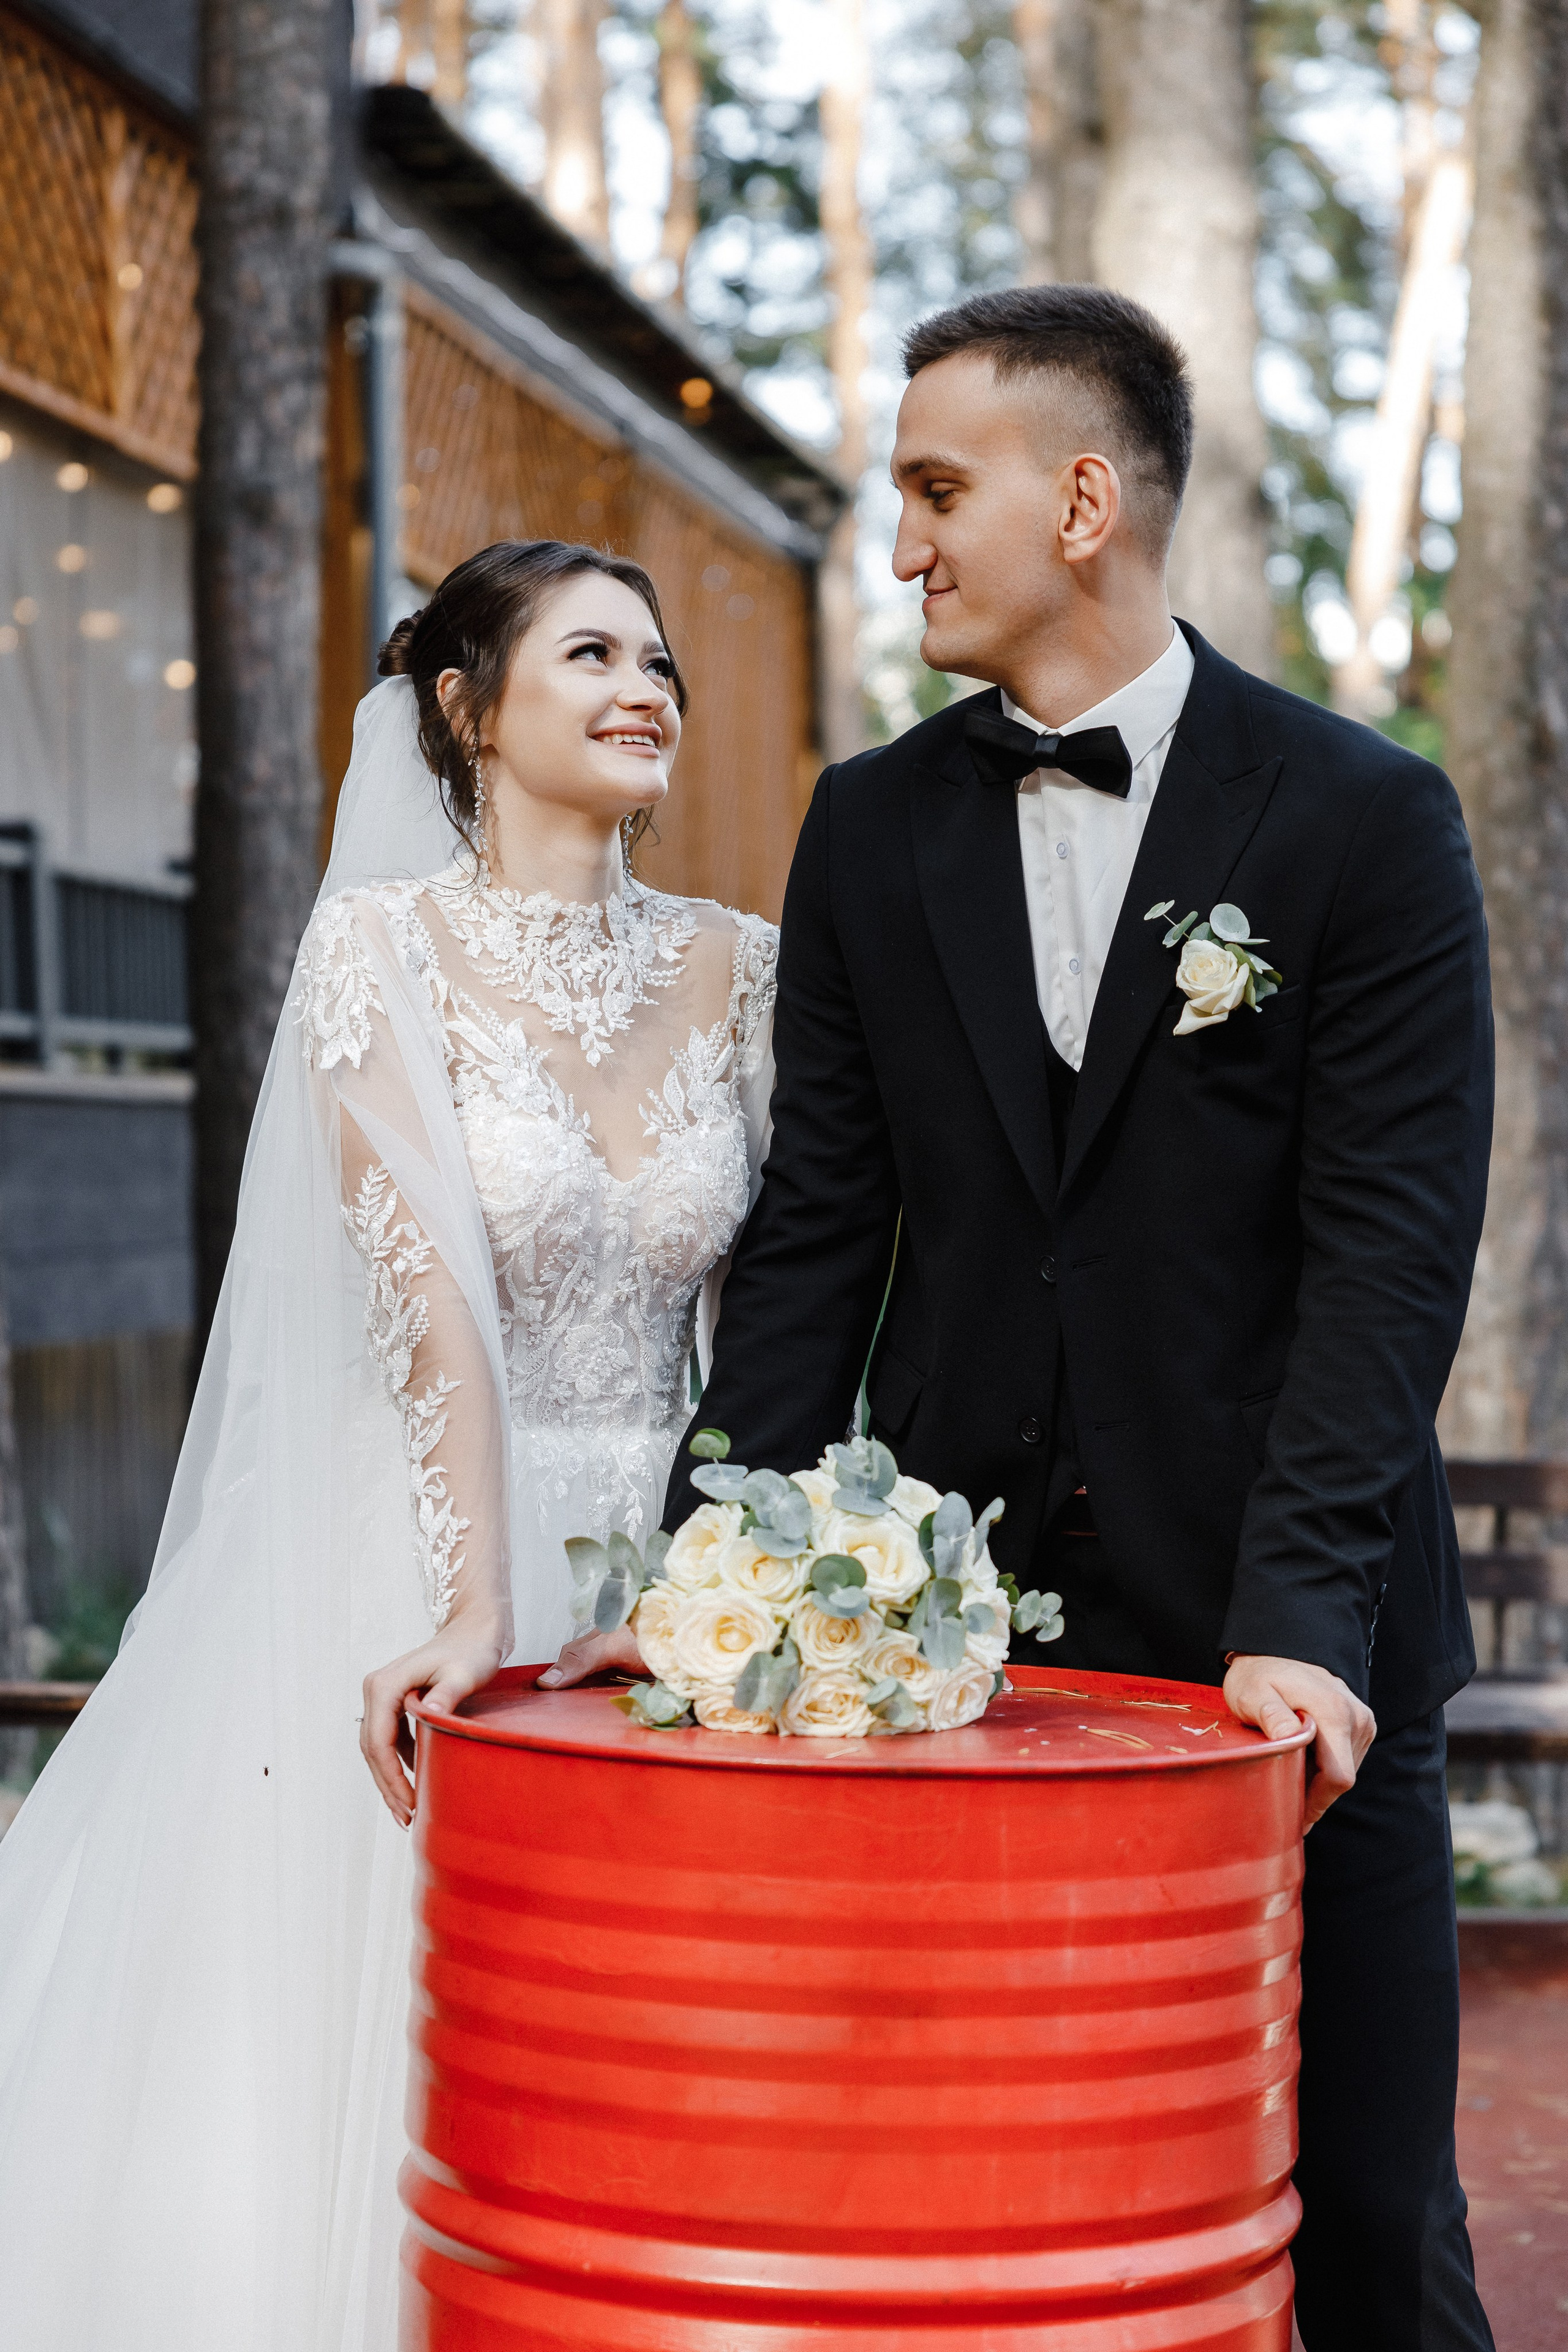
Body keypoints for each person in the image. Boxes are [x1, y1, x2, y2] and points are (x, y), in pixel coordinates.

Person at [655, 286, 1496, 2349]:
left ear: (1089, 500)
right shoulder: (869, 820)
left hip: (1295, 1653)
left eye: (940, 490)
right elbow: (816, 1238)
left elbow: (1391, 1261)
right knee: (1001, 2223)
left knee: (1366, 2224)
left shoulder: (1365, 821)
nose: (908, 542)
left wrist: (1293, 1622)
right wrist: (717, 1577)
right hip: (959, 1661)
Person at [0, 540, 777, 2351]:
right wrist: (474, 1605)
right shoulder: (381, 951)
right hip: (436, 1546)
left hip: (674, 1579)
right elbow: (431, 1305)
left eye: (659, 658)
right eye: (590, 654)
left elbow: (764, 1318)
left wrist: (739, 1580)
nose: (645, 684)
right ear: (468, 709)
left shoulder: (746, 970)